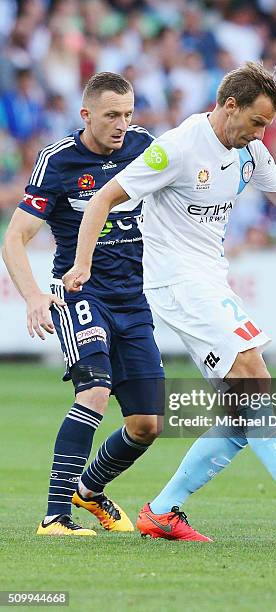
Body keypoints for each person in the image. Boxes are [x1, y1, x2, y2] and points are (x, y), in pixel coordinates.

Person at [63, 62, 276, 542]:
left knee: (246, 403)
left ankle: (163, 509)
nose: (260, 134)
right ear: (229, 105)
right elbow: (102, 199)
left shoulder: (250, 153)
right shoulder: (177, 148)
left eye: (267, 126)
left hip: (211, 280)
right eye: (256, 122)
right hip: (177, 283)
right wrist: (83, 264)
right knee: (252, 373)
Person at [2, 72, 164, 536]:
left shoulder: (143, 147)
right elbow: (16, 237)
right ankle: (55, 516)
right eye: (112, 115)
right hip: (80, 293)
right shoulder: (57, 160)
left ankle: (88, 491)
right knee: (93, 392)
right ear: (86, 115)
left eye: (129, 114)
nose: (122, 124)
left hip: (134, 300)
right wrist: (34, 295)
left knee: (148, 423)